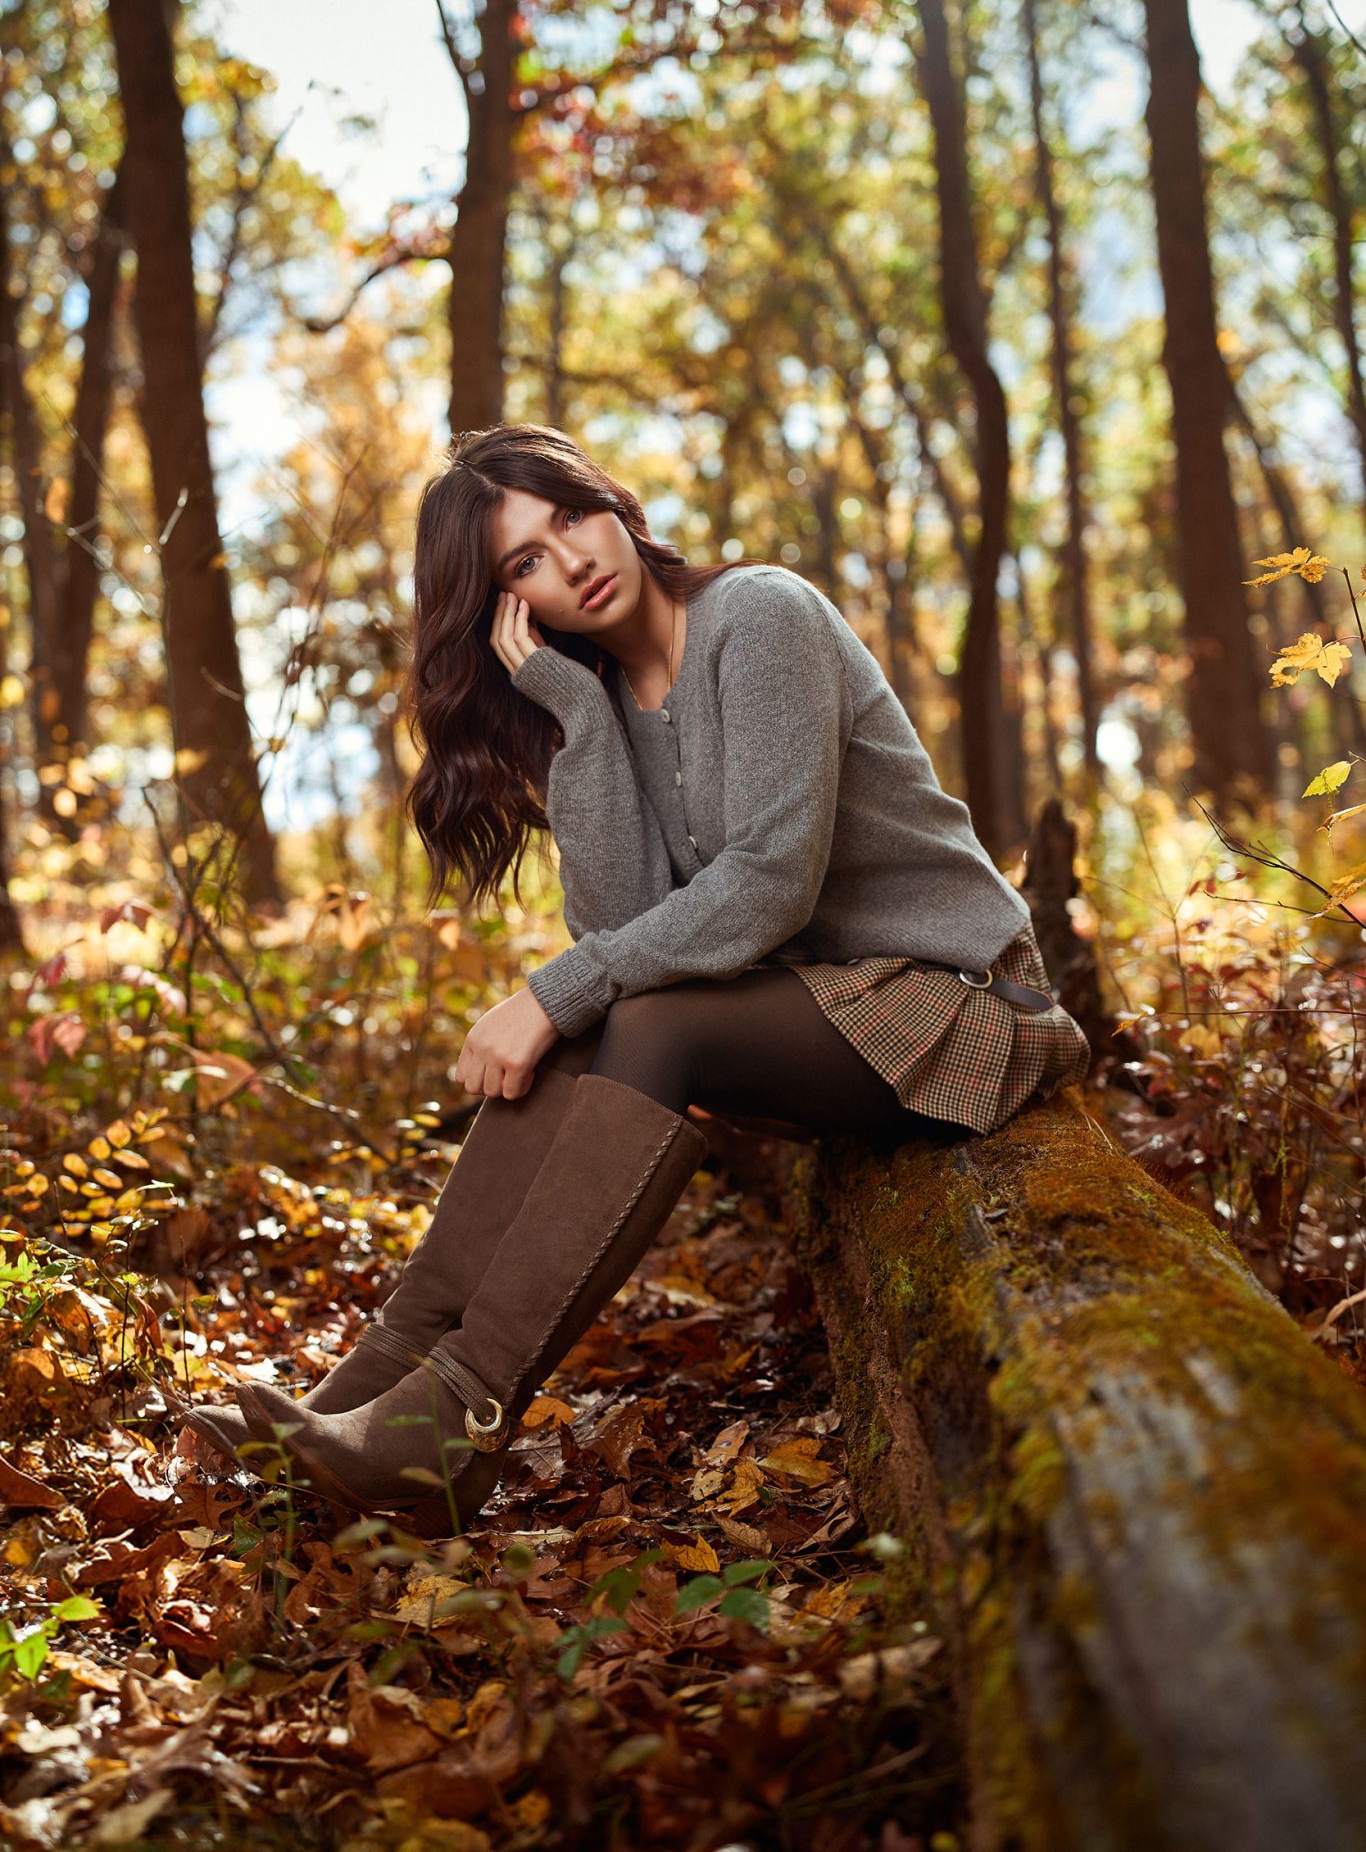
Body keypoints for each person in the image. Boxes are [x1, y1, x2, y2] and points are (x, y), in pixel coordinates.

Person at [184, 423, 1090, 1533]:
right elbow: (626, 929)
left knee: (636, 1014)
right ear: (508, 610)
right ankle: (362, 1396)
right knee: (601, 1016)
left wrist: (555, 986)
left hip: (960, 1006)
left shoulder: (758, 616)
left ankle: (456, 1419)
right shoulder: (596, 700)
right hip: (826, 1015)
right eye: (523, 562)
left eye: (567, 516)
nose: (568, 560)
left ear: (609, 501)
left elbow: (765, 887)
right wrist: (577, 717)